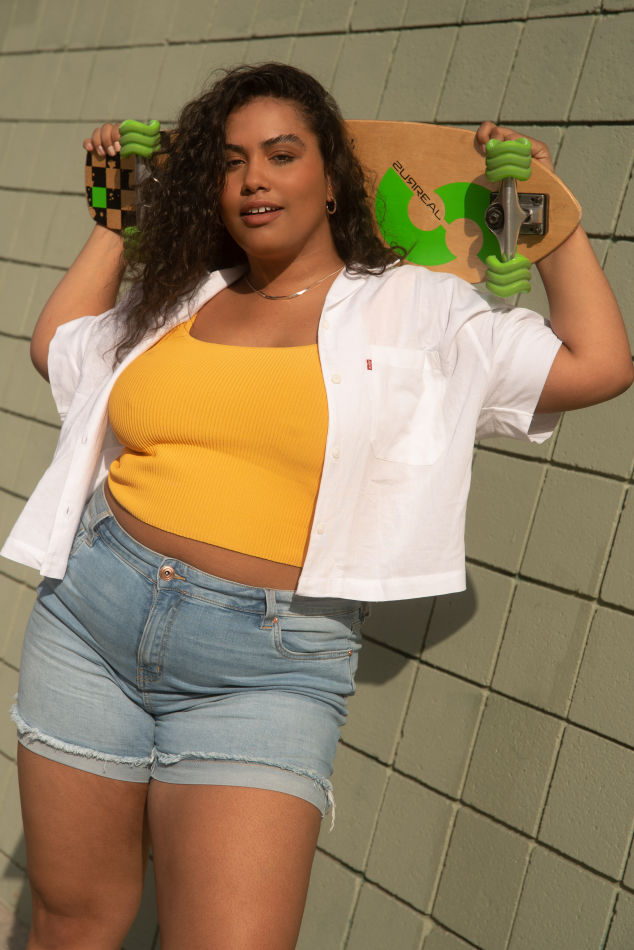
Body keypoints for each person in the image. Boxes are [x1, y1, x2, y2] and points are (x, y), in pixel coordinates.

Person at [2, 62, 632, 950]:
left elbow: (597, 365)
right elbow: (59, 346)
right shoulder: (184, 294)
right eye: (230, 162)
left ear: (332, 177)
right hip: (90, 621)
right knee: (72, 924)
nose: (253, 179)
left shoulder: (417, 308)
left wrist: (545, 211)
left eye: (281, 154)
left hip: (268, 668)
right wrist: (119, 218)